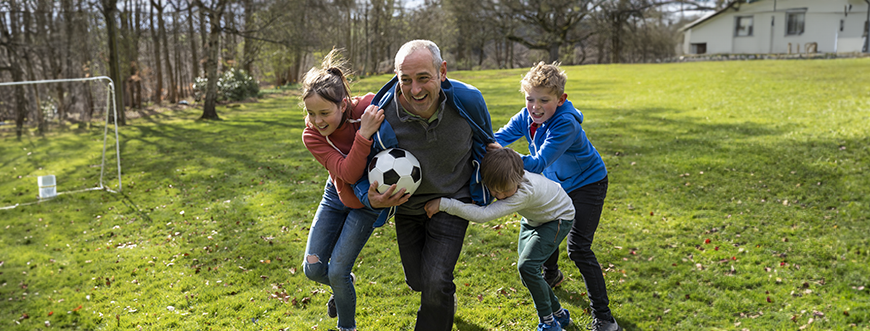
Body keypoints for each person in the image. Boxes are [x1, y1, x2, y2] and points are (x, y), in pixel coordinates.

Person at [352, 39, 497, 331]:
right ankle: (443, 298)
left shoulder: (469, 101)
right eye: (405, 80)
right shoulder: (381, 116)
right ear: (396, 76)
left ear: (442, 71)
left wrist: (498, 178)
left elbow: (487, 143)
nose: (415, 90)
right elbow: (354, 171)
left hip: (453, 202)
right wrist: (370, 199)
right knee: (419, 281)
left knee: (436, 280)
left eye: (423, 78)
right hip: (408, 208)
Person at [490, 62, 620, 331]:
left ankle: (605, 318)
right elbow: (498, 138)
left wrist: (502, 157)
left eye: (544, 100)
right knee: (546, 225)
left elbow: (537, 163)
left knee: (579, 249)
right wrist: (479, 145)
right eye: (530, 99)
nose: (535, 106)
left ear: (561, 100)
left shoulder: (565, 125)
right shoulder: (526, 117)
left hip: (588, 184)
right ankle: (551, 274)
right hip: (557, 184)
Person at [424, 148, 575, 331]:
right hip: (534, 219)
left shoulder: (523, 193)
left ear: (519, 179)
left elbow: (483, 215)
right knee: (528, 273)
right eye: (494, 190)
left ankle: (548, 322)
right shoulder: (510, 175)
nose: (499, 196)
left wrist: (444, 204)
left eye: (505, 191)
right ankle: (560, 314)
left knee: (527, 267)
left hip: (558, 217)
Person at [300, 49, 398, 331]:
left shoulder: (367, 107)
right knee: (314, 268)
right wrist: (364, 135)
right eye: (311, 113)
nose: (317, 121)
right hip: (336, 194)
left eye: (324, 112)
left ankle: (346, 326)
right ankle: (343, 285)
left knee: (338, 271)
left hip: (367, 203)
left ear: (344, 105)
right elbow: (346, 172)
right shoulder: (311, 135)